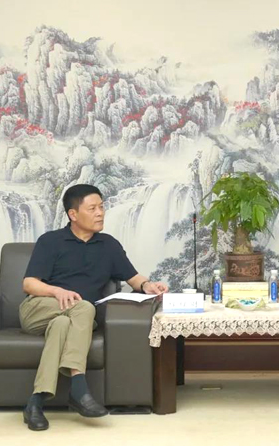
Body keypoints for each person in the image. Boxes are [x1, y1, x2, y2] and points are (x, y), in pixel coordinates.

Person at [20, 184, 169, 431]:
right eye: (92, 208)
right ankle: (79, 389)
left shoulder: (109, 245)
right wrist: (57, 291)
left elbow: (133, 278)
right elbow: (29, 284)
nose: (100, 213)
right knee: (84, 308)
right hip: (39, 308)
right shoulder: (51, 241)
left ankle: (35, 402)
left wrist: (148, 285)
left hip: (73, 317)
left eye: (101, 207)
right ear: (73, 214)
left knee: (63, 323)